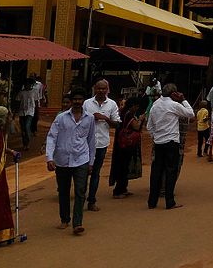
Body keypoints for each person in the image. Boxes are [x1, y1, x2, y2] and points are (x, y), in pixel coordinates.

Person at [45, 87, 96, 235]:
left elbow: (91, 140)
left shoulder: (90, 119)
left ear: (83, 101)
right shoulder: (61, 118)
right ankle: (64, 219)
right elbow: (51, 137)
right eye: (75, 99)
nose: (77, 102)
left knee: (80, 190)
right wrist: (49, 158)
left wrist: (91, 162)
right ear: (71, 101)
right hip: (62, 160)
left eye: (80, 99)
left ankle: (77, 223)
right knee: (63, 190)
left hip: (82, 159)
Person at [146, 83, 194, 210]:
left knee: (156, 171)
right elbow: (190, 113)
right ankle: (169, 201)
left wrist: (155, 136)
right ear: (174, 94)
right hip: (171, 142)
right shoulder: (174, 105)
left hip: (158, 142)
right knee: (171, 171)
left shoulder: (155, 105)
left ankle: (152, 201)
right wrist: (183, 99)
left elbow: (149, 126)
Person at [82, 79, 121, 211]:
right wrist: (91, 118)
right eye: (99, 88)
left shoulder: (112, 104)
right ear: (94, 89)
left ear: (107, 90)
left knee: (96, 173)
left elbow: (117, 124)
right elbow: (79, 120)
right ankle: (80, 198)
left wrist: (105, 118)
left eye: (103, 89)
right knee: (82, 172)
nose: (101, 91)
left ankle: (91, 200)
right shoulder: (87, 103)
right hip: (85, 144)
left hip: (101, 144)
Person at [109, 97, 143, 199]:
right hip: (127, 144)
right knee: (124, 167)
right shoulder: (129, 115)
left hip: (122, 143)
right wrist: (141, 120)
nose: (137, 108)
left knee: (123, 165)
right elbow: (136, 127)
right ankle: (119, 190)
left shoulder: (123, 114)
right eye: (136, 106)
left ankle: (123, 188)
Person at [0, 106, 18, 244]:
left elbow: (1, 147)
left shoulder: (0, 133)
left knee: (2, 201)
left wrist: (11, 152)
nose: (10, 119)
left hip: (0, 175)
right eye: (7, 117)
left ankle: (4, 234)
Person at [16, 80, 35, 151]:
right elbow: (18, 102)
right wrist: (15, 113)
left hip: (30, 112)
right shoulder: (21, 93)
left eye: (29, 84)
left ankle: (28, 142)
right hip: (22, 112)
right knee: (23, 129)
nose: (28, 86)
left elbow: (36, 101)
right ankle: (25, 143)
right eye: (26, 84)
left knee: (27, 126)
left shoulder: (33, 92)